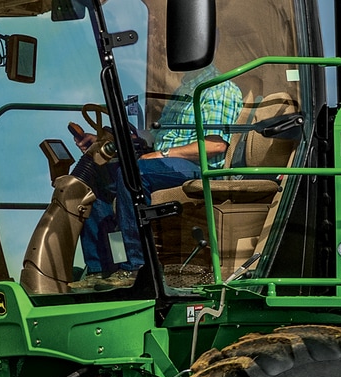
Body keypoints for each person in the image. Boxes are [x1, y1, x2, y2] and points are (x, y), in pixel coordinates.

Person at [71, 66, 243, 285]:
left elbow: (214, 145)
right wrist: (113, 140)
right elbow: (161, 137)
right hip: (169, 162)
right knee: (96, 179)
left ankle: (136, 269)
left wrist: (161, 154)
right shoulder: (184, 90)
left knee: (133, 175)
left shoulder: (217, 89)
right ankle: (101, 269)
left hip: (199, 168)